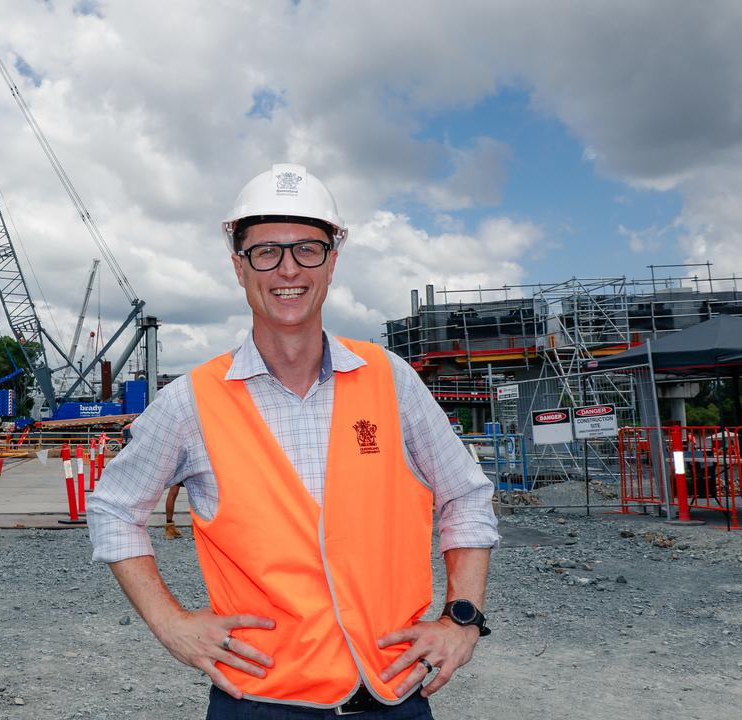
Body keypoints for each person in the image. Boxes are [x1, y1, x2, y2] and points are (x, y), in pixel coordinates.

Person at [87, 163, 499, 718]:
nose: (288, 269)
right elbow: (114, 508)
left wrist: (461, 620)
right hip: (259, 701)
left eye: (308, 248)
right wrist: (171, 624)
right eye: (266, 252)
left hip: (392, 694)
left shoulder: (391, 379)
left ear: (332, 262)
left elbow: (466, 495)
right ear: (239, 266)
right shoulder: (192, 401)